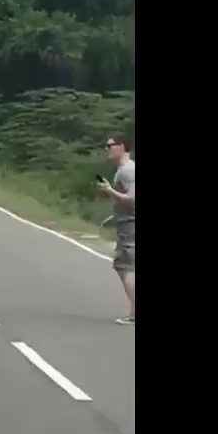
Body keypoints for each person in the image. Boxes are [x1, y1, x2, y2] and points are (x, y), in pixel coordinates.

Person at [97, 135, 135, 325]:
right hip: (126, 222)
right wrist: (114, 217)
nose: (108, 149)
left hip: (130, 226)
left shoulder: (127, 171)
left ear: (121, 147)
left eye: (111, 146)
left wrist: (109, 190)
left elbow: (132, 198)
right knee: (125, 266)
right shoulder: (126, 169)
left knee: (125, 266)